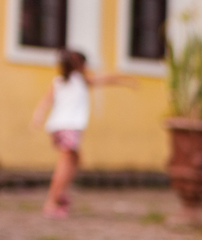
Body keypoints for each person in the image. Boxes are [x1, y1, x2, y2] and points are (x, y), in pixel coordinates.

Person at [31, 50, 134, 219]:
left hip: (57, 127)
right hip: (69, 127)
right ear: (80, 66)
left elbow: (45, 101)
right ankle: (52, 202)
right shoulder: (80, 80)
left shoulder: (60, 82)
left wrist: (38, 116)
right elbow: (105, 79)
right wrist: (126, 80)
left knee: (75, 160)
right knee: (64, 164)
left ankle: (61, 194)